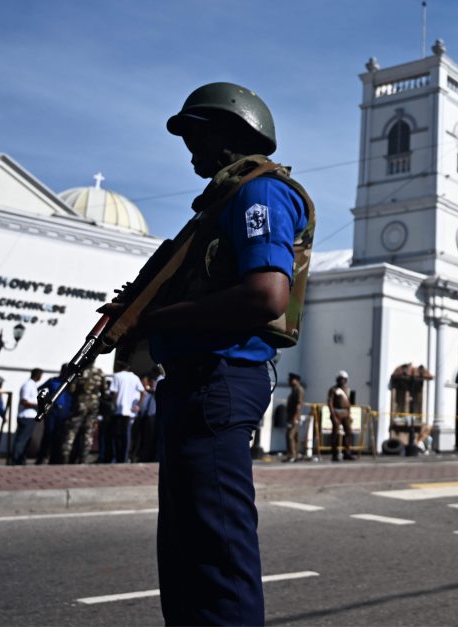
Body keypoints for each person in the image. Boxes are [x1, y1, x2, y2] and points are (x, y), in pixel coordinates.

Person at [98, 81, 314, 625]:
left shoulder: (259, 194)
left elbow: (267, 296)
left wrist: (149, 320)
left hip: (221, 380)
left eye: (197, 134)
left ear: (231, 134)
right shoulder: (222, 201)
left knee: (217, 558)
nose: (190, 148)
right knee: (186, 554)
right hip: (195, 384)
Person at [62, 359, 105, 464]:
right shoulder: (99, 372)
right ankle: (83, 459)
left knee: (71, 432)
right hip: (93, 405)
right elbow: (104, 390)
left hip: (79, 404)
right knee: (88, 433)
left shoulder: (79, 372)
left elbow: (71, 389)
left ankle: (65, 458)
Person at [107, 362, 145, 464]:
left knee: (116, 436)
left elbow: (114, 392)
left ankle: (116, 458)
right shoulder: (135, 377)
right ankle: (124, 458)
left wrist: (113, 404)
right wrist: (137, 406)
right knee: (126, 436)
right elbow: (143, 392)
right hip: (129, 411)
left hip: (118, 410)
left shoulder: (117, 376)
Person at [36, 364, 73, 465]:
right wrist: (46, 400)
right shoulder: (53, 381)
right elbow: (40, 389)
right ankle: (42, 458)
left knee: (60, 437)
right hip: (53, 412)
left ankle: (55, 459)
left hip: (65, 413)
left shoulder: (72, 383)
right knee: (48, 435)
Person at [11, 368, 43, 465]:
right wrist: (38, 406)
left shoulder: (33, 385)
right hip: (26, 416)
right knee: (21, 440)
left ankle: (20, 458)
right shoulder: (27, 385)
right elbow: (24, 401)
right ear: (37, 375)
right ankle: (15, 460)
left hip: (30, 416)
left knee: (26, 439)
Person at [327, 371, 355, 461]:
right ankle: (334, 454)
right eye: (340, 379)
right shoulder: (333, 389)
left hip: (346, 413)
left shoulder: (347, 389)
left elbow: (349, 403)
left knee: (349, 432)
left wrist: (350, 414)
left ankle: (347, 452)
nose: (342, 381)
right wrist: (333, 415)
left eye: (344, 379)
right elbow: (330, 403)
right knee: (335, 433)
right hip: (337, 412)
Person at [285, 372, 304, 462]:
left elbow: (299, 405)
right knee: (295, 436)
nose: (289, 381)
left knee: (290, 436)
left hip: (294, 417)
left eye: (291, 380)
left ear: (296, 380)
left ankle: (292, 455)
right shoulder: (294, 389)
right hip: (291, 416)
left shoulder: (298, 390)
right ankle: (295, 455)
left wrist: (295, 417)